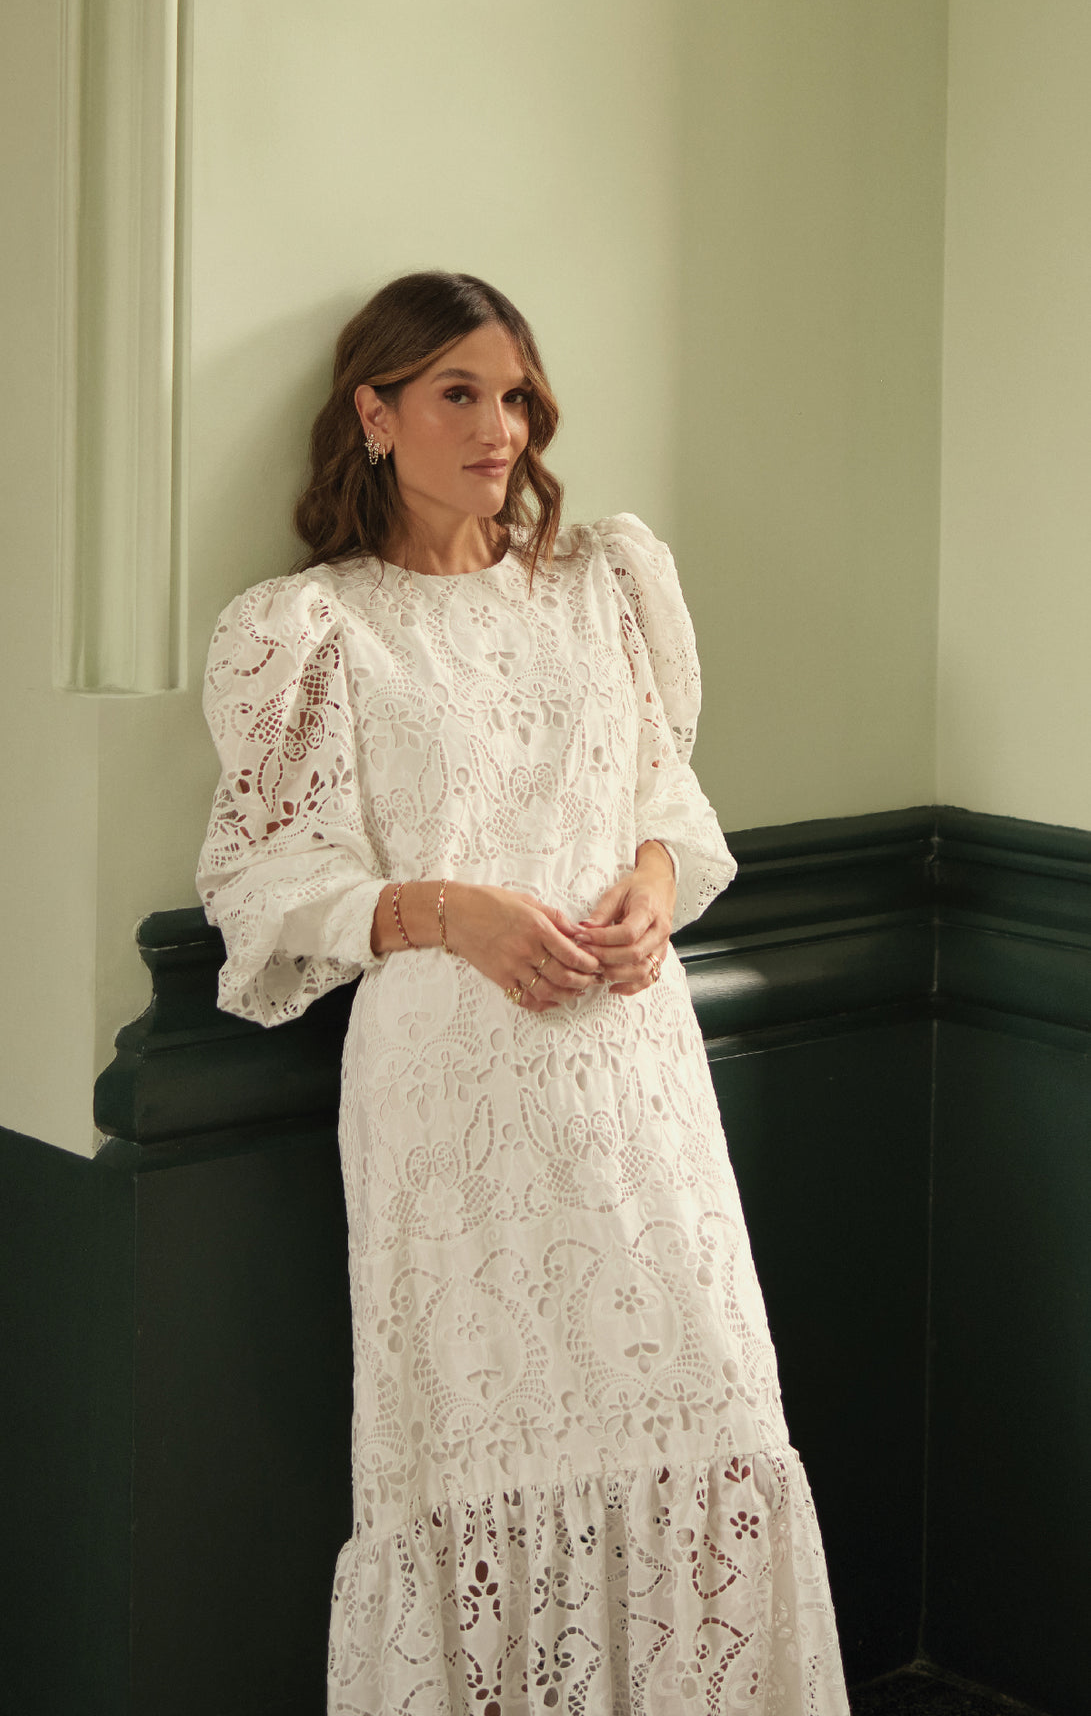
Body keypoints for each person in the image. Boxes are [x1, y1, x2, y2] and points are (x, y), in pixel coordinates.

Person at [197, 271, 849, 1716]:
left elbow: (668, 799)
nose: (501, 428)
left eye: (516, 398)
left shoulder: (602, 584)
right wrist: (454, 912)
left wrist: (654, 888)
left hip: (633, 1074)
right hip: (453, 1100)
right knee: (477, 1460)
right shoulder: (313, 629)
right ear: (374, 412)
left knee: (713, 1412)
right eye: (460, 394)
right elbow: (261, 884)